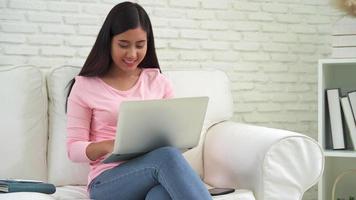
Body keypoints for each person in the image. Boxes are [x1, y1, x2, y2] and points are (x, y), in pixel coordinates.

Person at [65, 2, 213, 200]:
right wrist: (110, 145)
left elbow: (172, 135)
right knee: (167, 156)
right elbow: (73, 149)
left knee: (161, 195)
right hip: (107, 182)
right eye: (123, 45)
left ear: (148, 43)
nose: (132, 54)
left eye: (140, 45)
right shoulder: (85, 85)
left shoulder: (159, 82)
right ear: (108, 42)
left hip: (152, 175)